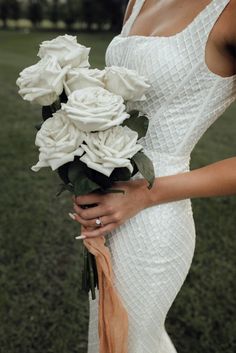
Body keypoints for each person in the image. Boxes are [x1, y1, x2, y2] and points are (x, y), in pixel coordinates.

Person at [71, 0, 236, 352]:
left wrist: (148, 193)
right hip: (107, 201)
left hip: (155, 219)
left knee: (128, 341)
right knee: (110, 336)